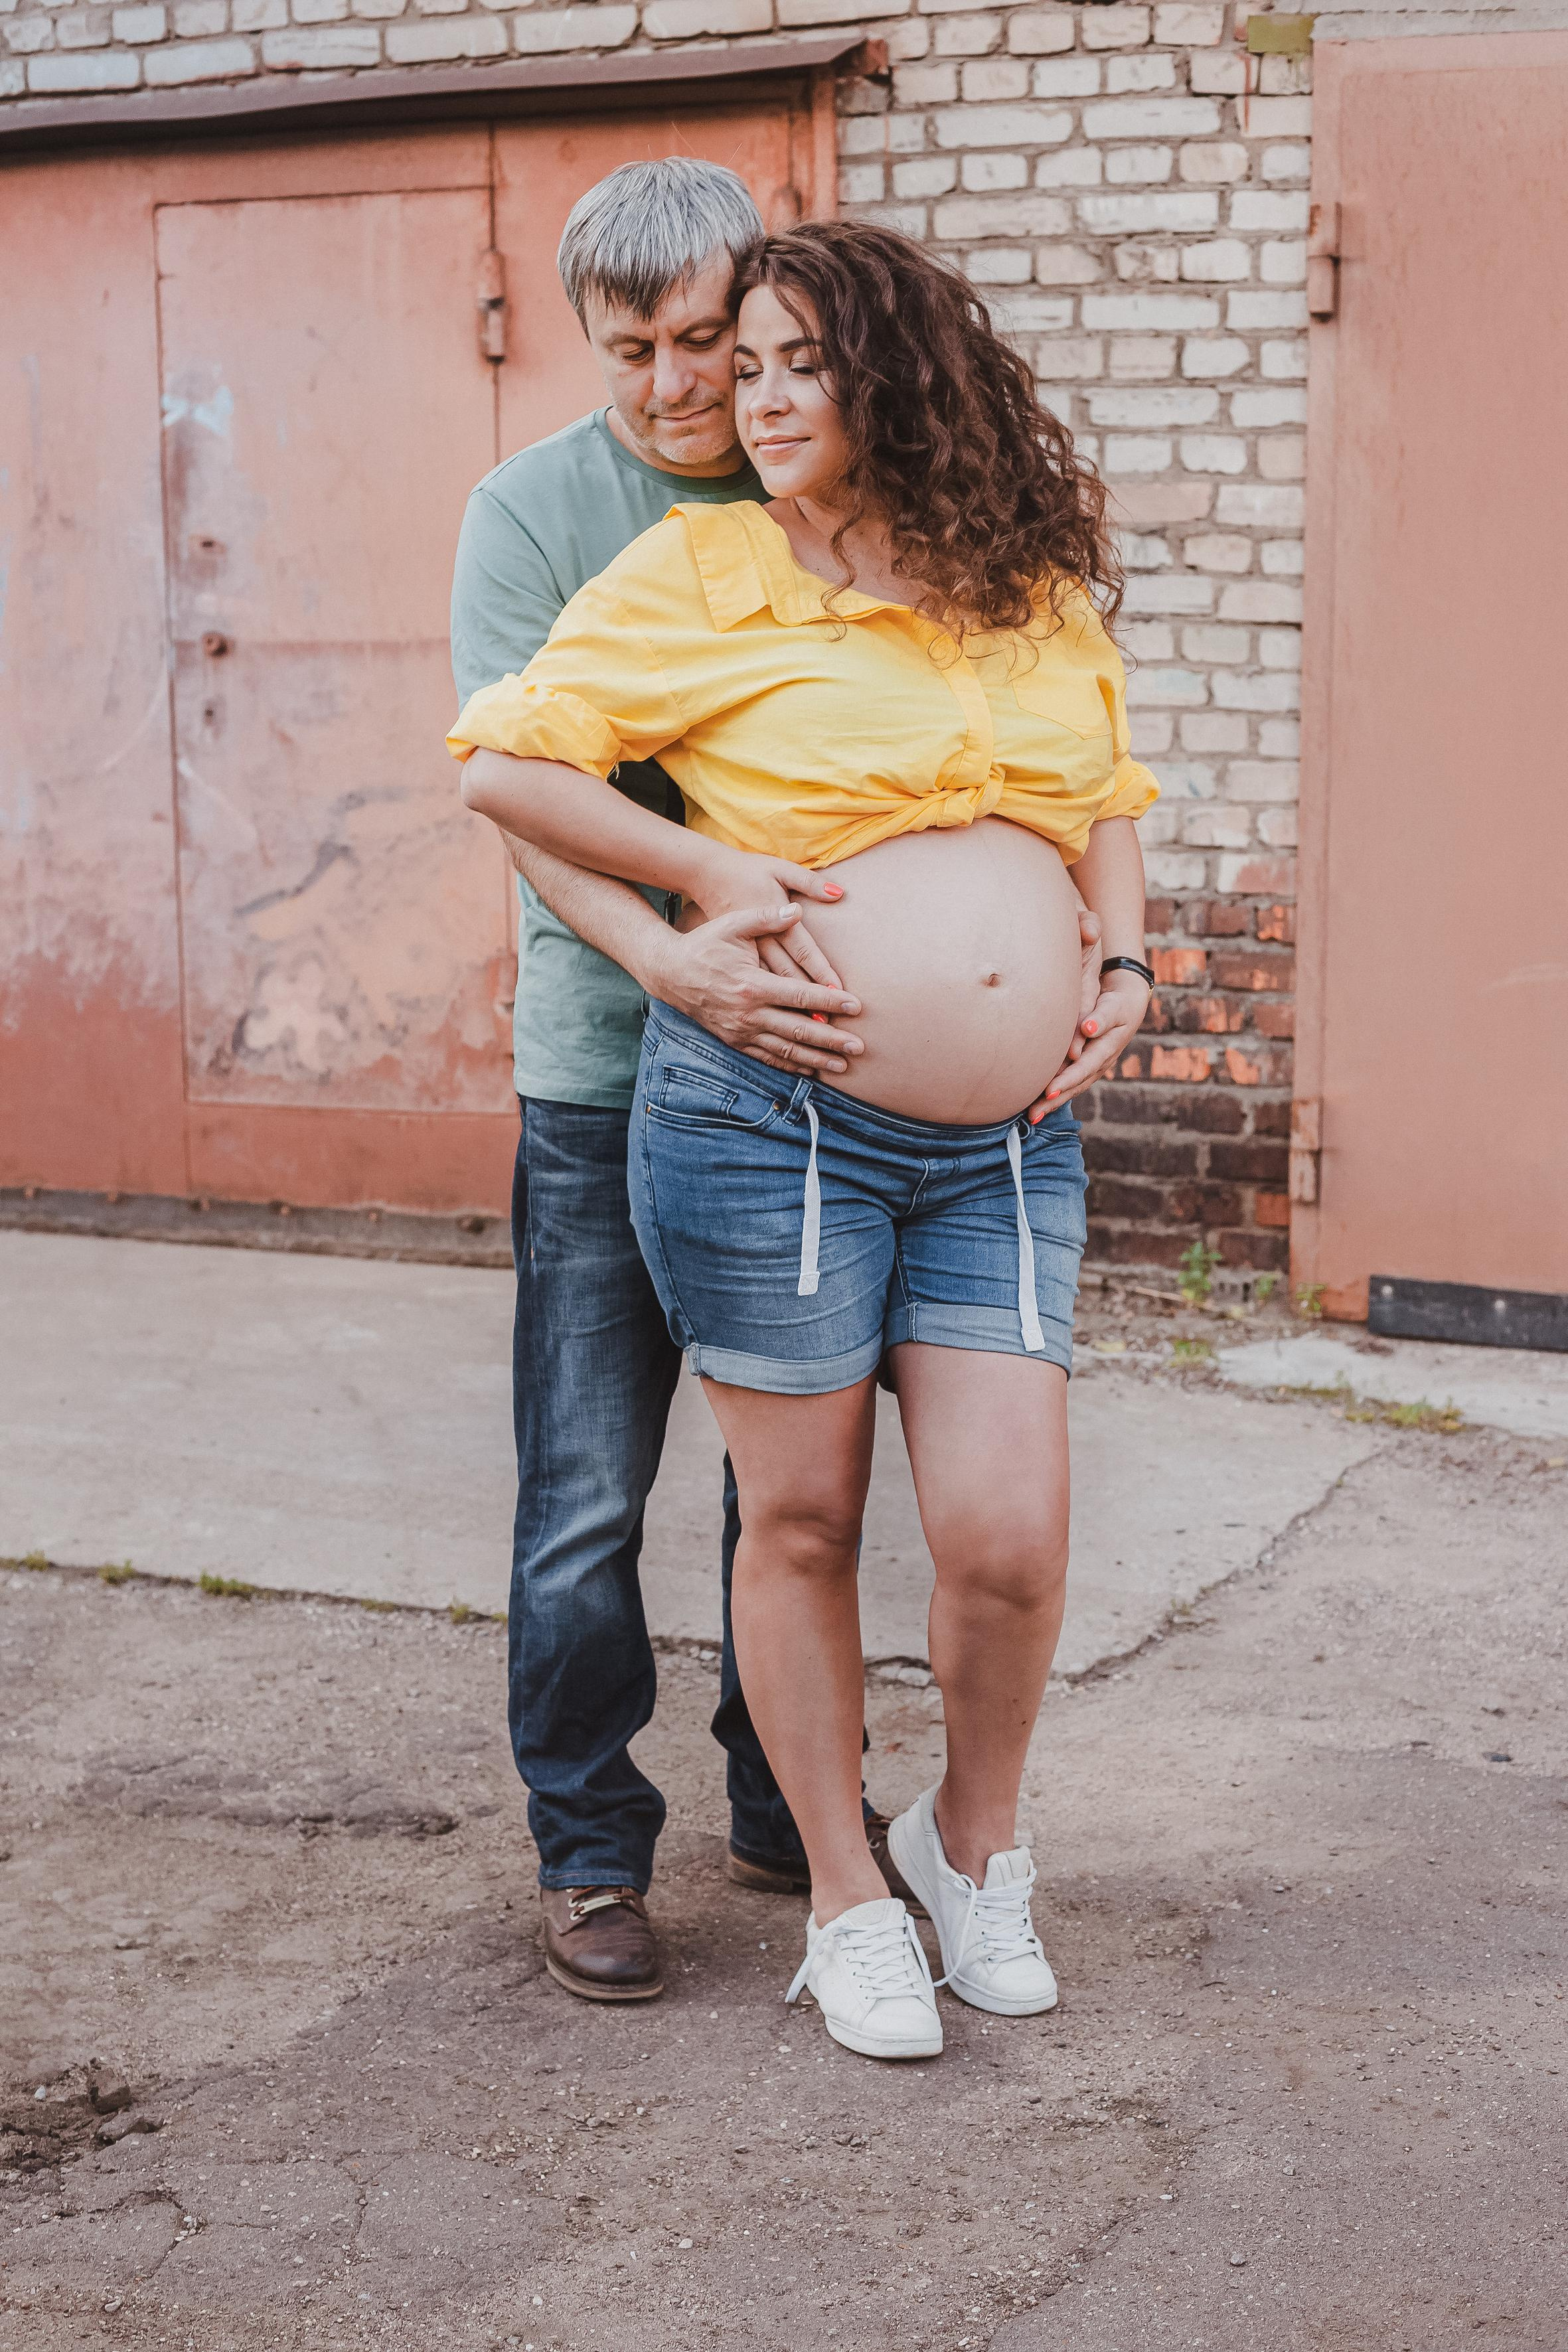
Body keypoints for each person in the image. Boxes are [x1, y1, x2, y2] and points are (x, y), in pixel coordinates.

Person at [449, 220, 1158, 2062]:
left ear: (896, 377)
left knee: (1005, 1539)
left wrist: (1133, 956)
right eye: (734, 364)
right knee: (803, 1513)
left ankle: (967, 1842)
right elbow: (504, 764)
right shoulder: (694, 570)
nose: (753, 399)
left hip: (1005, 1137)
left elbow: (1101, 793)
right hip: (774, 1125)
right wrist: (693, 883)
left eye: (793, 364)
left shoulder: (1023, 579)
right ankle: (844, 1897)